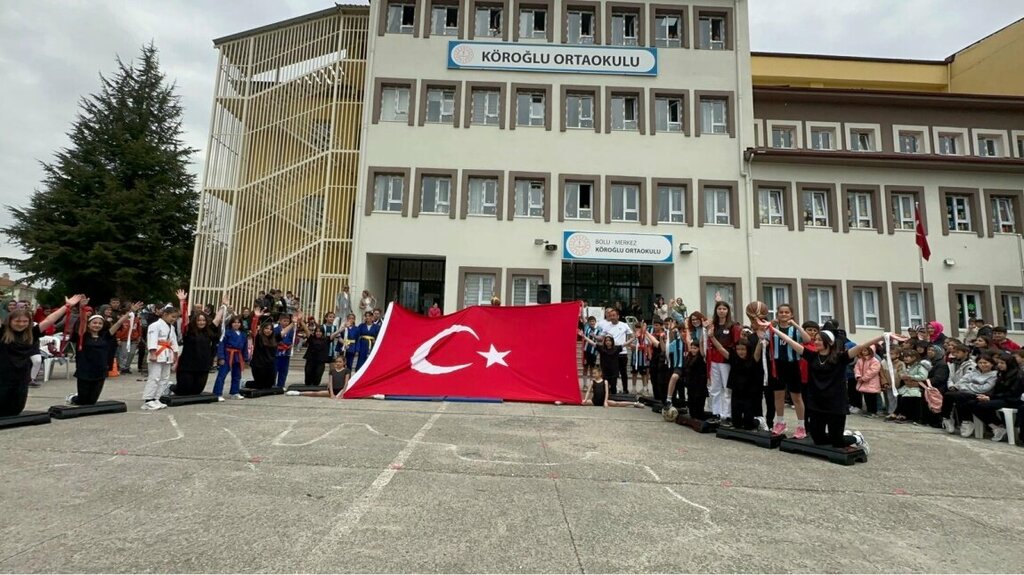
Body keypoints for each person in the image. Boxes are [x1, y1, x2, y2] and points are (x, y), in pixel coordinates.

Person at [763, 321, 894, 453]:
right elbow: (790, 341)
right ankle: (841, 435)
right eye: (817, 339)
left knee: (837, 443)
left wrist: (883, 337)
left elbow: (860, 347)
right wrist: (772, 329)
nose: (816, 341)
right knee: (818, 438)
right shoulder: (812, 356)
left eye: (820, 339)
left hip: (835, 403)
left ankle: (856, 438)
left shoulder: (840, 357)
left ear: (829, 342)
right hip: (816, 402)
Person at [1, 295, 83, 417]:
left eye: (24, 321)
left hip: (22, 375)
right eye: (17, 321)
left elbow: (49, 320)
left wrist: (67, 306)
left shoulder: (32, 333)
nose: (21, 324)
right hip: (3, 376)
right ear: (10, 321)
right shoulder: (2, 332)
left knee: (16, 409)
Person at [67, 305, 138, 406]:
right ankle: (73, 398)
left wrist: (130, 312)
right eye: (94, 323)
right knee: (83, 402)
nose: (97, 325)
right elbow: (82, 322)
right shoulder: (82, 336)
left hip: (100, 371)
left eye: (100, 323)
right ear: (88, 325)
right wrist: (82, 308)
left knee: (92, 401)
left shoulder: (105, 336)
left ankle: (81, 397)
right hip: (84, 371)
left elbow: (118, 323)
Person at [172, 291, 226, 396]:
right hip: (187, 365)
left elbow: (217, 319)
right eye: (199, 321)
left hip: (202, 365)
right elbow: (184, 317)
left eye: (203, 320)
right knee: (184, 391)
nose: (201, 322)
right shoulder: (188, 331)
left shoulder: (209, 331)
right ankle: (171, 387)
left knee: (196, 391)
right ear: (195, 321)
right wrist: (182, 301)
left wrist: (223, 305)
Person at [709, 329, 765, 430]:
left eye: (743, 349)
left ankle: (759, 420)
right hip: (736, 391)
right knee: (737, 424)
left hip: (749, 393)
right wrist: (712, 337)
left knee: (748, 425)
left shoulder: (753, 359)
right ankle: (740, 420)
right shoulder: (733, 358)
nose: (740, 352)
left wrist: (761, 339)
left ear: (748, 349)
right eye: (738, 349)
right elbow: (720, 348)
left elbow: (758, 351)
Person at [766, 305, 806, 436]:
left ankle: (801, 426)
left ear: (791, 314)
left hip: (793, 365)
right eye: (781, 312)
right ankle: (780, 422)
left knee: (797, 397)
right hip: (777, 365)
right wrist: (765, 324)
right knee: (778, 396)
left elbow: (807, 340)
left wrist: (796, 324)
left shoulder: (795, 330)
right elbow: (762, 337)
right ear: (777, 314)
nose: (783, 314)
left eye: (786, 312)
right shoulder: (772, 329)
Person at [941, 353, 998, 437]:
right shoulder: (974, 372)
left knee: (958, 396)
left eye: (985, 363)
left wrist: (967, 386)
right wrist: (967, 386)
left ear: (992, 364)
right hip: (966, 393)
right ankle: (948, 418)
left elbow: (984, 388)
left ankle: (966, 421)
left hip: (981, 395)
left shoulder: (994, 375)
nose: (983, 365)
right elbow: (961, 381)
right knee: (949, 395)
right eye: (980, 363)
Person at [973, 353, 1024, 442]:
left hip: (1013, 400)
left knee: (981, 406)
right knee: (973, 403)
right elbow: (997, 391)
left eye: (1002, 363)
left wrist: (990, 398)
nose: (999, 365)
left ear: (1009, 363)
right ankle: (997, 427)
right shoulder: (1002, 374)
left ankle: (998, 426)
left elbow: (1012, 393)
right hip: (1002, 398)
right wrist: (987, 396)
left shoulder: (1018, 375)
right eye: (999, 363)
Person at [704, 302, 740, 426]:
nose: (721, 311)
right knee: (715, 388)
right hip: (714, 360)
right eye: (719, 308)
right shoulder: (712, 325)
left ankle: (728, 415)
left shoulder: (733, 326)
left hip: (726, 361)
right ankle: (716, 413)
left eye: (724, 308)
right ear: (716, 310)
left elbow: (736, 343)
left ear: (728, 311)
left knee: (727, 388)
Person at [142, 305, 181, 411]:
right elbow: (152, 340)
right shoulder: (155, 325)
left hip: (167, 353)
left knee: (164, 378)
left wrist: (175, 355)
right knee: (154, 377)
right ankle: (148, 400)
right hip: (158, 352)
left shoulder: (171, 327)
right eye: (172, 316)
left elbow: (173, 342)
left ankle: (156, 398)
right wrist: (153, 353)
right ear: (165, 314)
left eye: (175, 317)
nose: (174, 319)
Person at [596, 309, 634, 393]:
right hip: (611, 353)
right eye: (610, 315)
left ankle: (625, 390)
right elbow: (601, 338)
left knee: (623, 372)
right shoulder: (607, 326)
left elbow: (632, 335)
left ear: (618, 316)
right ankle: (611, 389)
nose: (612, 317)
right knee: (612, 373)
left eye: (614, 315)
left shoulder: (624, 325)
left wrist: (629, 343)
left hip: (622, 352)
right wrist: (593, 335)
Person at [213, 315, 248, 400]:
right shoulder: (226, 333)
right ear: (231, 323)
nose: (236, 324)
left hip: (238, 355)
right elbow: (221, 345)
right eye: (234, 322)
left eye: (238, 322)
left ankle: (234, 392)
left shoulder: (243, 334)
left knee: (237, 375)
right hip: (228, 354)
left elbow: (245, 347)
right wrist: (221, 357)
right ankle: (217, 393)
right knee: (222, 375)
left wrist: (245, 358)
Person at [889, 349, 929, 423]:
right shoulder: (909, 366)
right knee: (900, 394)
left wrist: (910, 376)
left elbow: (923, 376)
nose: (905, 358)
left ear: (914, 358)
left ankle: (905, 415)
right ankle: (898, 412)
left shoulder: (920, 366)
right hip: (908, 385)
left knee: (908, 396)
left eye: (908, 357)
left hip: (918, 386)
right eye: (904, 357)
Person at [286, 356, 351, 398]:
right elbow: (330, 383)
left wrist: (342, 393)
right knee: (316, 393)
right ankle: (298, 393)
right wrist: (332, 393)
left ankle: (339, 394)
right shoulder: (332, 371)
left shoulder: (346, 371)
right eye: (337, 362)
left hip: (342, 390)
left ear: (344, 362)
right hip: (333, 390)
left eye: (340, 362)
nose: (338, 363)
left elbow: (346, 383)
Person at [272, 311, 300, 388]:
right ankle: (272, 385)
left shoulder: (292, 330)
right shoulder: (276, 329)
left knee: (284, 370)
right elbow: (276, 338)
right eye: (284, 321)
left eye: (287, 321)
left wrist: (292, 344)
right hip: (277, 352)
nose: (286, 323)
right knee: (274, 370)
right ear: (280, 321)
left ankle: (281, 385)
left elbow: (293, 339)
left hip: (286, 353)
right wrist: (282, 344)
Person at [853, 345, 882, 417]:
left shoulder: (875, 361)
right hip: (863, 381)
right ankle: (869, 411)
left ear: (871, 351)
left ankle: (873, 411)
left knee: (872, 398)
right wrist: (858, 376)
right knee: (866, 397)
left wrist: (864, 378)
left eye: (865, 350)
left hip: (871, 382)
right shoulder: (860, 360)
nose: (863, 352)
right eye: (862, 350)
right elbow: (856, 368)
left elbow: (873, 371)